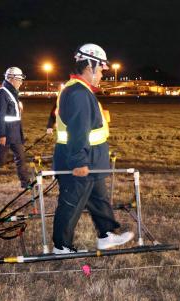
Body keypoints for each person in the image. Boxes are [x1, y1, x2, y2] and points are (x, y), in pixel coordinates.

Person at [52, 43, 134, 254]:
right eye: (101, 69)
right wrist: (79, 162)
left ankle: (106, 235)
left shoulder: (80, 90)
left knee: (98, 198)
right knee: (71, 203)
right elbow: (78, 130)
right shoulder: (79, 93)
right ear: (89, 65)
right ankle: (61, 246)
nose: (102, 74)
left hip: (93, 159)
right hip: (81, 159)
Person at [0, 67, 32, 190]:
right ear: (11, 79)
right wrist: (1, 135)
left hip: (15, 132)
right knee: (0, 160)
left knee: (21, 157)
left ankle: (25, 182)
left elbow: (12, 114)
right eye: (19, 79)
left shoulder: (13, 92)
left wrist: (19, 110)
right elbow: (0, 116)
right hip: (6, 133)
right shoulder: (1, 93)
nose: (21, 82)